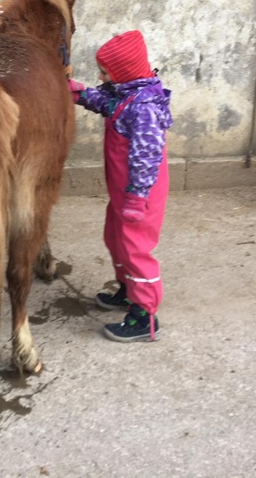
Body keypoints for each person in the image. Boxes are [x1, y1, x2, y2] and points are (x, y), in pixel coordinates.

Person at [68, 30, 172, 342]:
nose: (101, 76)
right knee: (115, 239)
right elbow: (107, 103)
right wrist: (80, 93)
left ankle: (145, 316)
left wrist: (137, 198)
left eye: (104, 72)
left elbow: (146, 155)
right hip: (122, 192)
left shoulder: (144, 108)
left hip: (139, 195)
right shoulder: (126, 95)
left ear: (123, 72)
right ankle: (128, 290)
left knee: (135, 248)